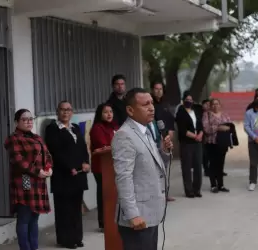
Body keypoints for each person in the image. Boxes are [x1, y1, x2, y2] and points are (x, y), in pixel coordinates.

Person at [112, 88, 173, 250]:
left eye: (152, 103)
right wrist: (133, 214)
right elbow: (123, 178)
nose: (151, 108)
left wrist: (165, 152)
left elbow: (154, 166)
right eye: (145, 104)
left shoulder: (146, 131)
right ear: (130, 110)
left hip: (151, 213)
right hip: (137, 217)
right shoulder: (124, 135)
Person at [4, 109, 53, 250]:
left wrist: (49, 168)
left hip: (39, 182)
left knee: (34, 219)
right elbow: (19, 161)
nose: (28, 122)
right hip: (24, 182)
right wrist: (38, 171)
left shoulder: (37, 137)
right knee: (24, 218)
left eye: (30, 119)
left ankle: (34, 247)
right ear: (16, 122)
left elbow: (47, 155)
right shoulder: (13, 139)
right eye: (24, 119)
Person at [45, 101, 91, 249]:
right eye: (62, 110)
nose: (66, 112)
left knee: (76, 208)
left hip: (78, 174)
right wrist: (69, 167)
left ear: (72, 112)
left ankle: (77, 237)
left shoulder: (75, 127)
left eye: (68, 110)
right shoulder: (52, 129)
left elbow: (83, 148)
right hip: (62, 175)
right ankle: (66, 239)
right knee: (64, 208)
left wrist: (85, 162)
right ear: (57, 112)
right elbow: (55, 152)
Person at [89, 103, 119, 231]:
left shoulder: (115, 126)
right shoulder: (97, 128)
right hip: (102, 167)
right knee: (104, 194)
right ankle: (103, 222)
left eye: (111, 111)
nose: (109, 114)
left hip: (115, 166)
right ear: (100, 114)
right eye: (106, 112)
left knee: (114, 195)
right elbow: (103, 146)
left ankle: (114, 220)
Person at [151, 81, 176, 201]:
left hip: (167, 138)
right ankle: (157, 194)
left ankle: (165, 193)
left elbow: (171, 121)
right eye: (156, 89)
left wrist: (170, 134)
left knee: (165, 167)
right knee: (156, 168)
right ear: (152, 90)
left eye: (160, 89)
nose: (158, 91)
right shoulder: (150, 104)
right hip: (155, 139)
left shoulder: (166, 104)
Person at [175, 91, 204, 198]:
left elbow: (201, 125)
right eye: (187, 100)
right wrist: (194, 136)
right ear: (183, 100)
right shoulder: (180, 112)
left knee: (198, 166)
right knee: (186, 166)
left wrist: (200, 134)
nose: (189, 102)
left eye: (191, 100)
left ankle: (197, 189)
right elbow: (182, 129)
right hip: (186, 142)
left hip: (198, 142)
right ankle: (189, 190)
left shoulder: (196, 111)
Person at [202, 99, 231, 193]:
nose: (215, 106)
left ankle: (221, 185)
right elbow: (206, 128)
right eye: (213, 104)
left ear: (220, 105)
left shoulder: (225, 114)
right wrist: (219, 128)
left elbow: (229, 126)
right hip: (211, 143)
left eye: (217, 104)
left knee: (220, 164)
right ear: (210, 106)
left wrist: (225, 128)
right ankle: (213, 185)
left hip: (222, 143)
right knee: (213, 164)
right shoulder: (206, 115)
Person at [201, 99, 211, 177]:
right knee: (205, 155)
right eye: (206, 104)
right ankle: (206, 170)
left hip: (211, 138)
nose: (208, 106)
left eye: (209, 104)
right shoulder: (200, 114)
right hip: (203, 137)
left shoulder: (211, 113)